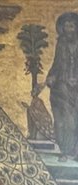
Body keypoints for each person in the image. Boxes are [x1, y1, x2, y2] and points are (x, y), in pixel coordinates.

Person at [46, 13, 78, 160]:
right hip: (63, 86)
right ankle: (66, 150)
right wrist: (51, 75)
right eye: (66, 26)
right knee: (64, 120)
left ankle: (74, 150)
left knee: (74, 120)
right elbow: (57, 63)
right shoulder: (61, 43)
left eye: (71, 25)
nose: (68, 29)